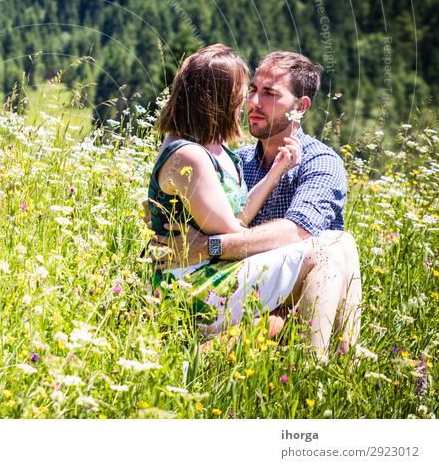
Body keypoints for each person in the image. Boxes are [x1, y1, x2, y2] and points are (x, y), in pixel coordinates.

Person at [150, 50, 361, 358]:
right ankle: (322, 369)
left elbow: (297, 232)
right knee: (337, 245)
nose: (253, 103)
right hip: (226, 291)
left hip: (300, 300)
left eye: (270, 94)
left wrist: (210, 245)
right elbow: (230, 218)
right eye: (251, 91)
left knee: (339, 246)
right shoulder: (239, 159)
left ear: (300, 107)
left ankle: (336, 363)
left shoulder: (320, 163)